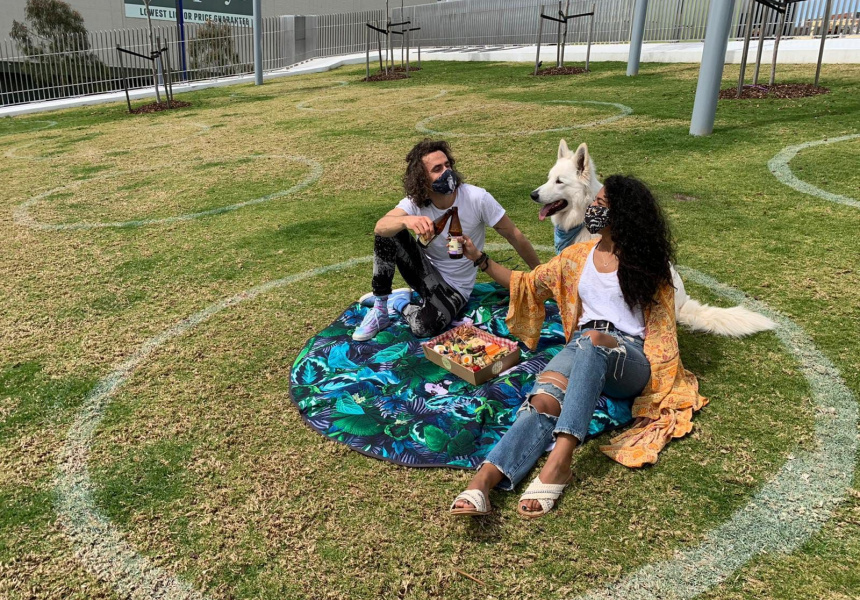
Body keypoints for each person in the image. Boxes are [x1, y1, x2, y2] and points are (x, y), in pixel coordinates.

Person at [450, 175, 707, 518]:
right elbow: (526, 283)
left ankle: (560, 462)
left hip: (629, 359)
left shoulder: (647, 264)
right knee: (543, 400)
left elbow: (661, 330)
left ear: (625, 217)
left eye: (601, 205)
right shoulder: (577, 257)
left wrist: (664, 380)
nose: (592, 209)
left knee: (594, 341)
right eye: (594, 202)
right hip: (584, 344)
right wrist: (478, 258)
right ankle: (486, 478)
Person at [352, 139, 541, 341]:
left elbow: (514, 235)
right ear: (422, 179)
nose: (446, 172)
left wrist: (542, 275)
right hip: (424, 275)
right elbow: (380, 226)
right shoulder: (416, 202)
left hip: (456, 289)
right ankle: (380, 309)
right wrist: (407, 220)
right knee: (388, 231)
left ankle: (400, 303)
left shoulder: (477, 198)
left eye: (447, 165)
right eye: (437, 169)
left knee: (423, 327)